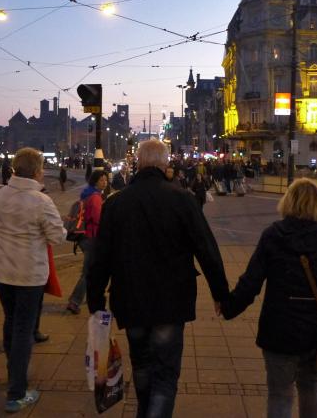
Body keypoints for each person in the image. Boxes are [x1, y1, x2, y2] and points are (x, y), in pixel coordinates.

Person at [87, 139, 230, 418]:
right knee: (165, 372)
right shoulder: (182, 199)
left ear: (138, 163)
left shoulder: (116, 203)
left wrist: (95, 300)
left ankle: (145, 410)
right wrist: (221, 294)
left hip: (131, 299)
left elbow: (99, 257)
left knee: (141, 364)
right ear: (165, 165)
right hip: (171, 300)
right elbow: (207, 249)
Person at [220, 178, 317, 418]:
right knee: (311, 387)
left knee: (279, 394)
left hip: (279, 329)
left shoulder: (273, 235)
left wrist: (229, 307)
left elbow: (251, 282)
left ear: (288, 202)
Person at [0, 148, 65, 413]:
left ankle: (13, 371)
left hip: (0, 272)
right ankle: (17, 391)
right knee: (23, 329)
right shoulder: (41, 201)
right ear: (37, 171)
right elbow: (57, 237)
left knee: (11, 320)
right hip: (29, 276)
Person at [66, 170, 107, 315]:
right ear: (95, 182)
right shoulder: (95, 197)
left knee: (91, 270)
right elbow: (97, 219)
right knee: (88, 272)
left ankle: (88, 297)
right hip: (90, 237)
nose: (105, 182)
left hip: (84, 237)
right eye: (101, 180)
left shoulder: (87, 194)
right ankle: (74, 301)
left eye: (105, 180)